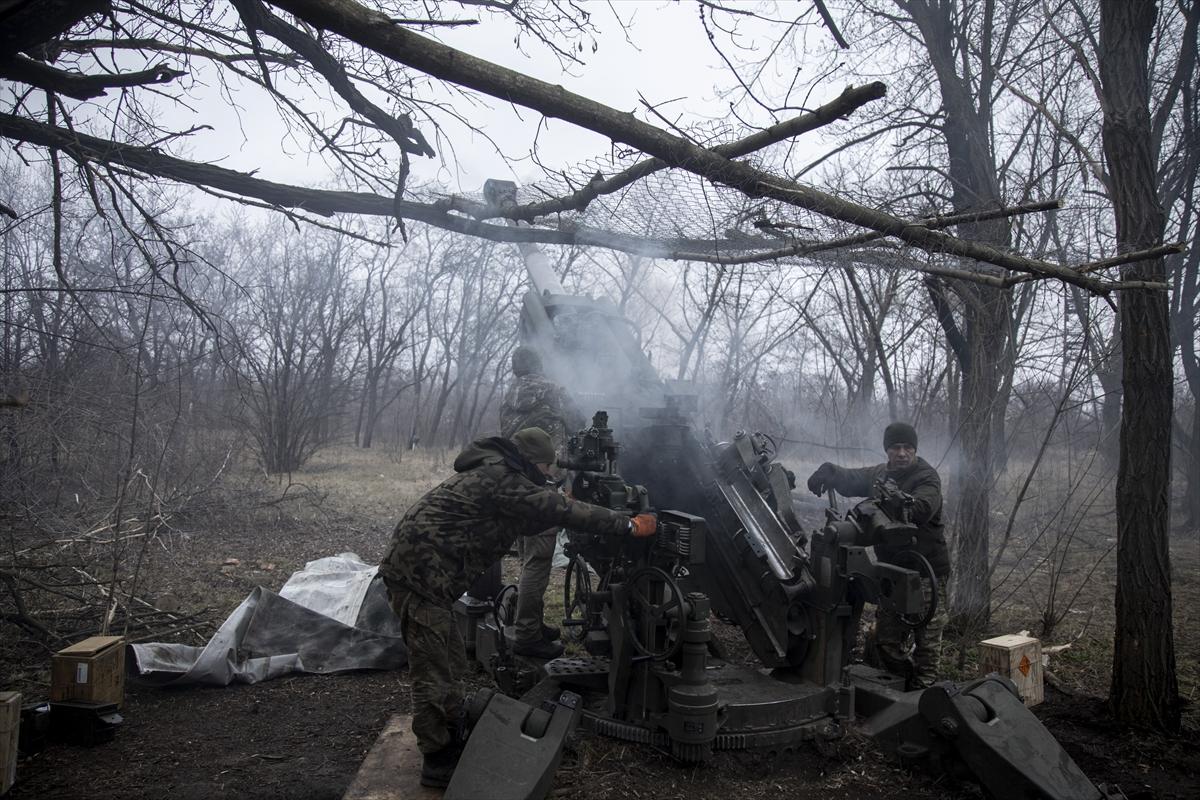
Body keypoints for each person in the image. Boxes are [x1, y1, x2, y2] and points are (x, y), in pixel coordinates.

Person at [379, 427, 657, 787]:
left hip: (428, 574)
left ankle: (449, 729)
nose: (547, 475)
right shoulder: (501, 479)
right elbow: (555, 508)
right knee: (432, 671)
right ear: (531, 462)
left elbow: (534, 512)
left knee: (449, 660)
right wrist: (630, 525)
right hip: (418, 577)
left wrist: (564, 500)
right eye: (545, 468)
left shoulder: (498, 473)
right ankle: (437, 760)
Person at [806, 422, 949, 689]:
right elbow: (852, 479)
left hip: (926, 573)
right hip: (891, 574)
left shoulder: (927, 477)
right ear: (887, 450)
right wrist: (830, 472)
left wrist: (898, 502)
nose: (902, 453)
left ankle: (924, 693)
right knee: (886, 640)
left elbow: (923, 508)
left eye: (908, 447)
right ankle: (904, 685)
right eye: (896, 447)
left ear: (915, 450)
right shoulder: (881, 474)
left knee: (927, 641)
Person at [498, 344, 581, 660]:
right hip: (543, 482)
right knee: (539, 561)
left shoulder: (510, 395)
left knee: (527, 557)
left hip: (513, 482)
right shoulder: (553, 390)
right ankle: (528, 634)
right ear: (540, 364)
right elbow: (578, 421)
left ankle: (528, 622)